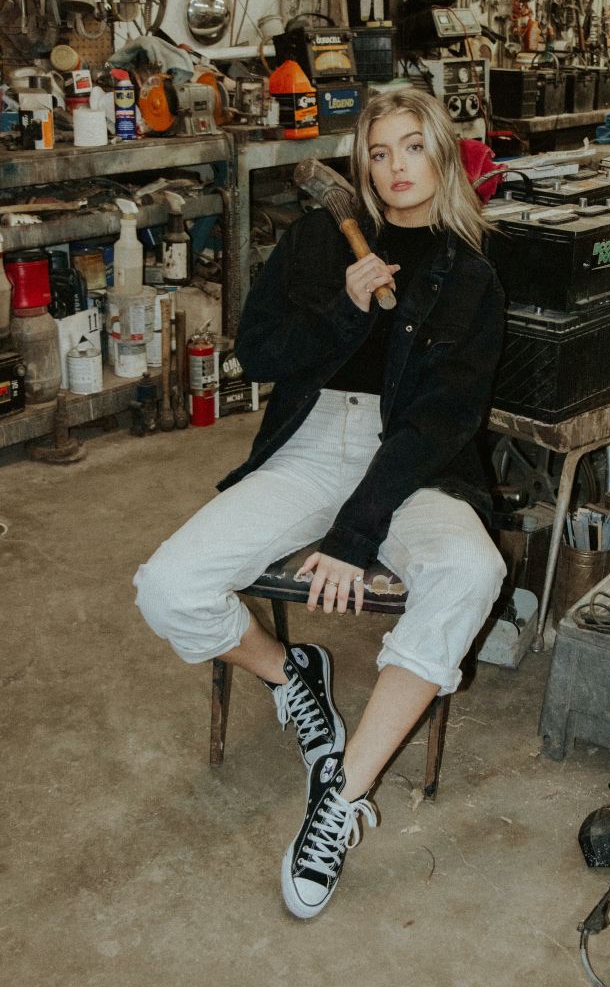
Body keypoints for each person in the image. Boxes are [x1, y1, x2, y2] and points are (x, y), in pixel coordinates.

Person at [134, 86, 507, 919]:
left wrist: (354, 532)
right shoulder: (316, 237)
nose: (396, 167)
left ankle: (341, 792)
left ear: (441, 154)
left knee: (471, 570)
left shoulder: (469, 276)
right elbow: (257, 349)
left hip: (409, 459)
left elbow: (437, 420)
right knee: (167, 585)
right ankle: (289, 670)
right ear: (362, 166)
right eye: (379, 152)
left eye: (413, 147)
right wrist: (343, 304)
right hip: (309, 441)